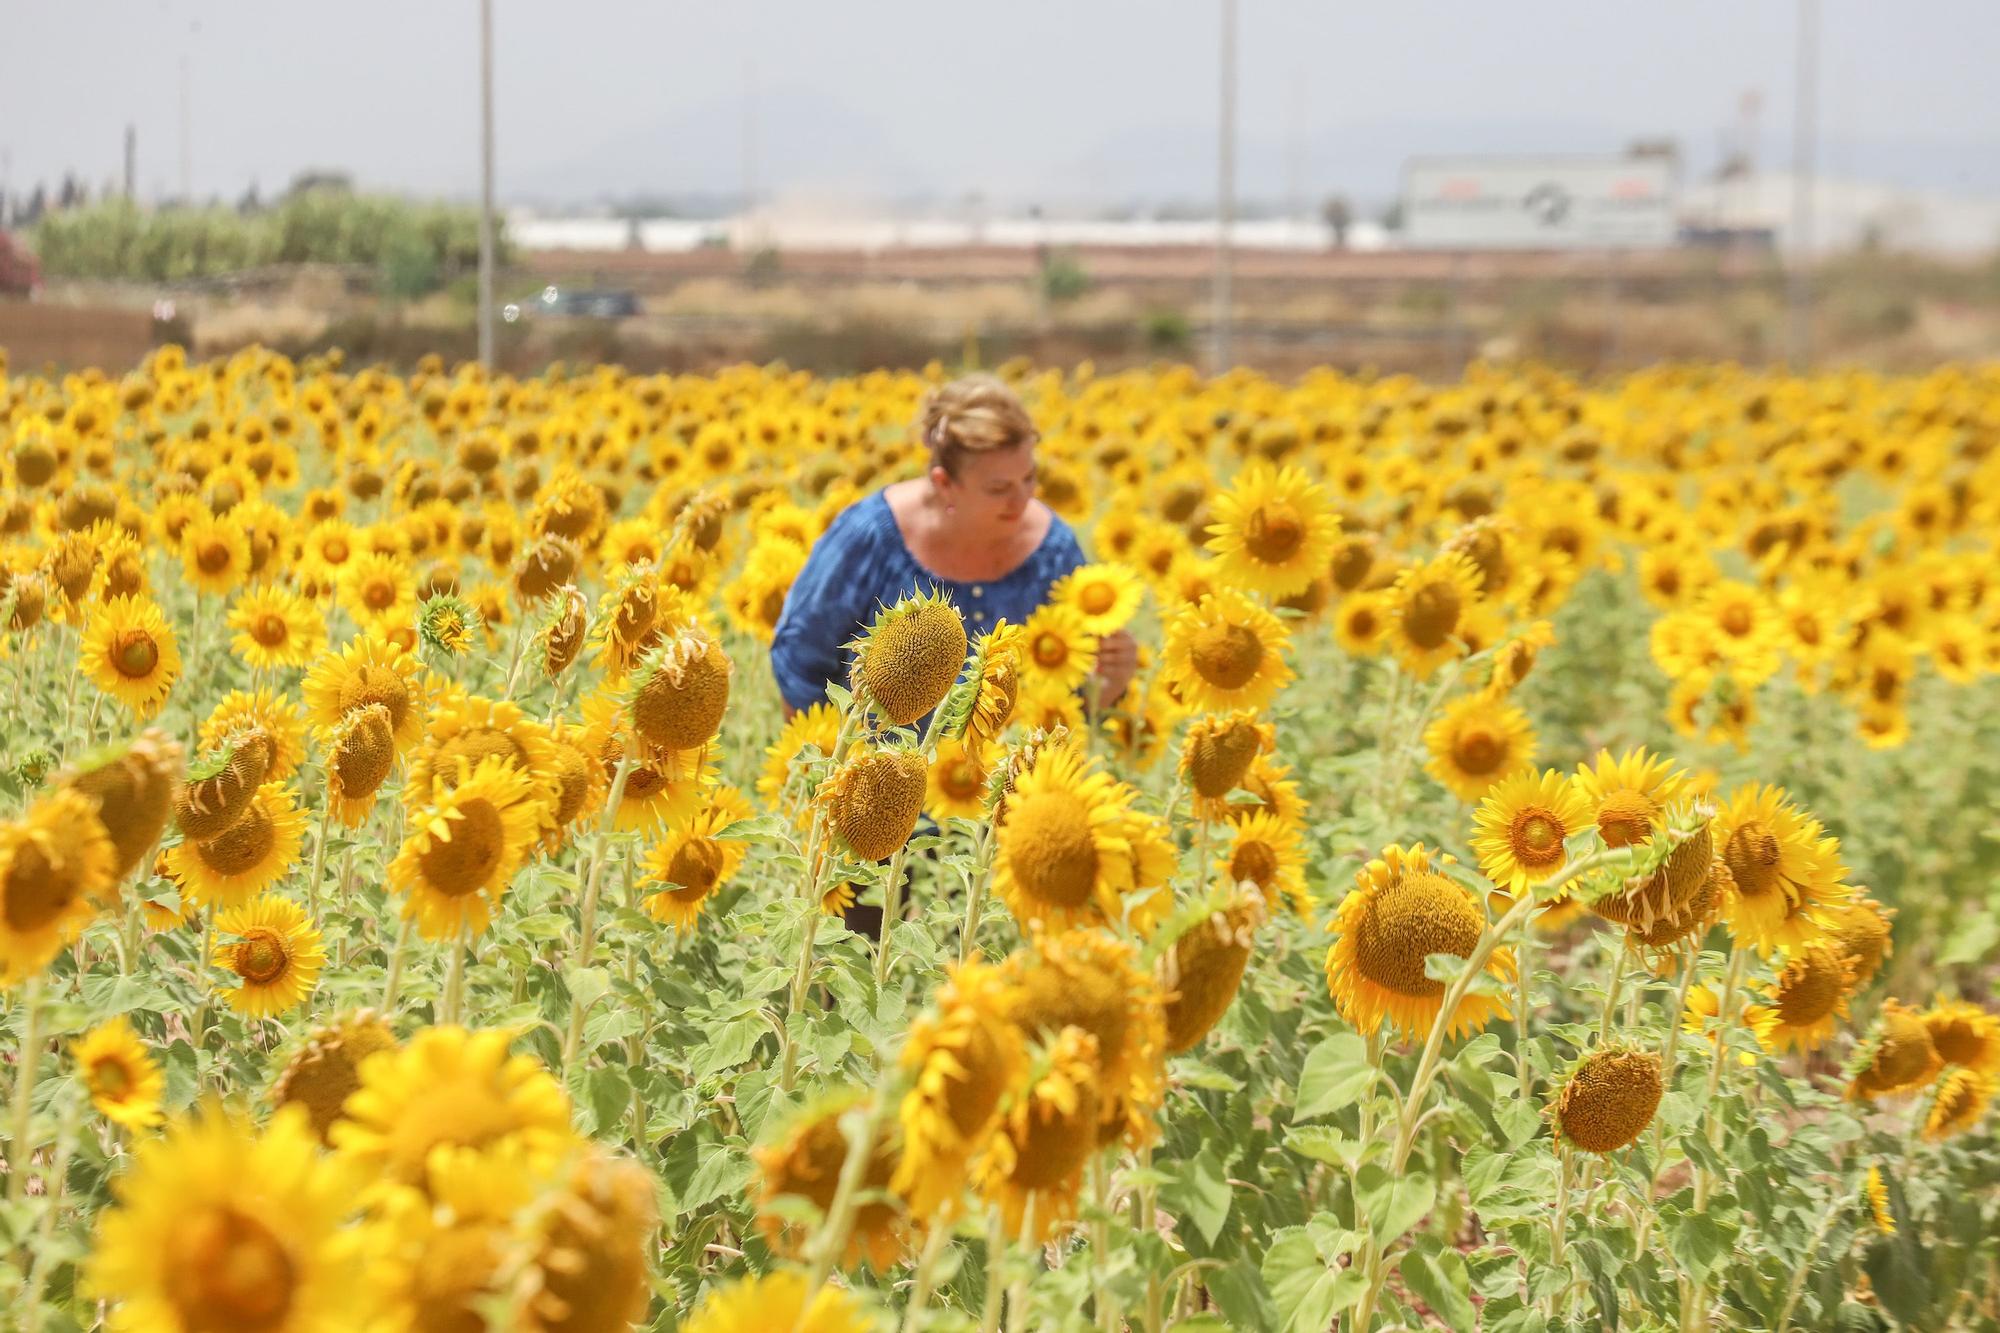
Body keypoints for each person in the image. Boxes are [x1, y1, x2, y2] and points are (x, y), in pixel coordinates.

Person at [770, 373, 1137, 721]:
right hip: (878, 776)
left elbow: (1068, 703)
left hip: (1012, 782)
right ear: (944, 482)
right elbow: (799, 664)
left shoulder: (1053, 551)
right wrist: (823, 769)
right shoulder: (869, 538)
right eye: (998, 488)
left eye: (1029, 478)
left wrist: (1110, 683)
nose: (1022, 499)